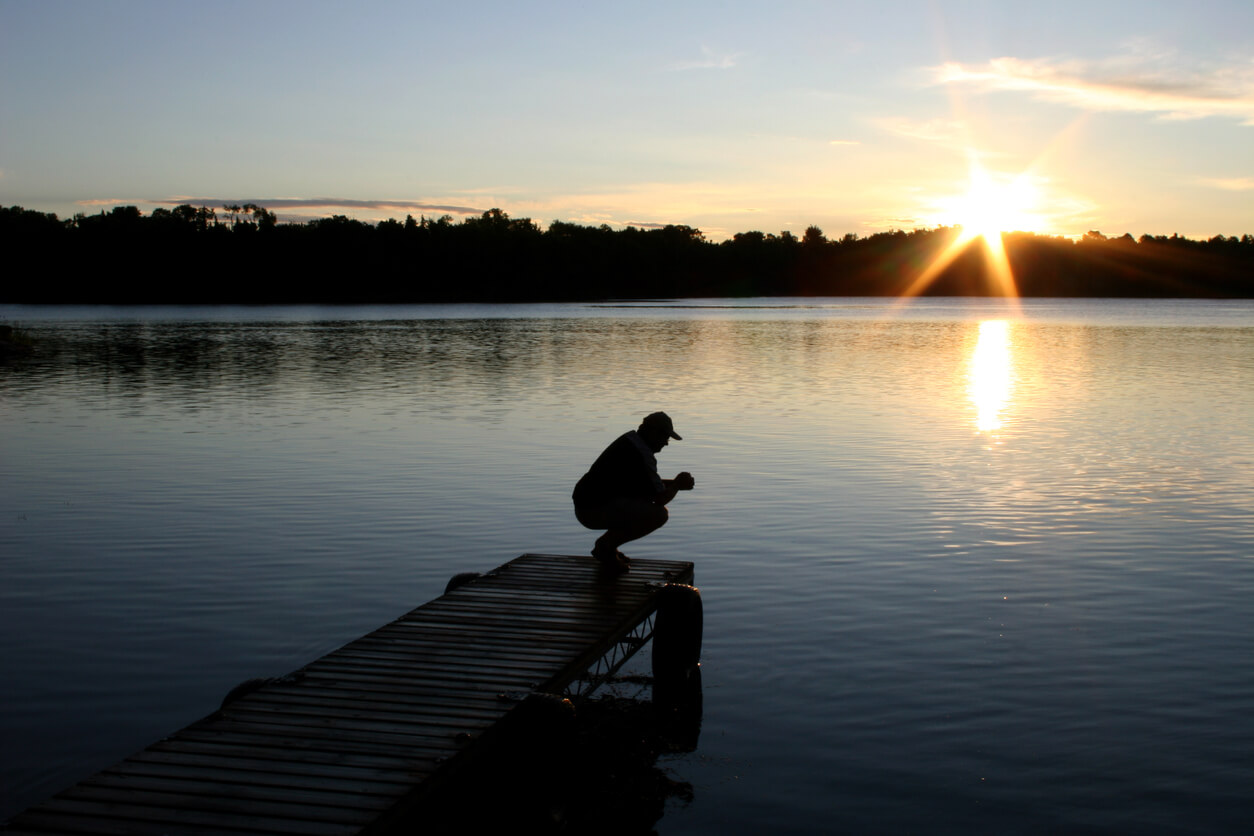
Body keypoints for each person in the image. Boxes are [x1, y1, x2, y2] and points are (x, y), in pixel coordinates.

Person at [573, 412, 695, 571]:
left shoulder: (631, 442)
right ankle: (605, 547)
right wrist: (677, 485)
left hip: (588, 506)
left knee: (641, 506)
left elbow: (648, 484)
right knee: (659, 514)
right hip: (592, 510)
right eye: (665, 437)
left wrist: (674, 484)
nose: (666, 443)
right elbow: (660, 499)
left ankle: (608, 548)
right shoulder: (641, 453)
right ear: (652, 432)